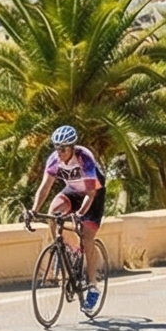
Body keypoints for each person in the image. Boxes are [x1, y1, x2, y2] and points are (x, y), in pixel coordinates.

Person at [32, 126, 108, 312]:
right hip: (73, 191)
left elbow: (90, 193)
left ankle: (92, 287)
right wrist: (34, 210)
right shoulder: (54, 160)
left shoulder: (85, 158)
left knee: (87, 237)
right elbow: (45, 188)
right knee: (53, 212)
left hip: (93, 195)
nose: (60, 152)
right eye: (57, 148)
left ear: (72, 147)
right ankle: (65, 248)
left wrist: (80, 213)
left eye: (63, 149)